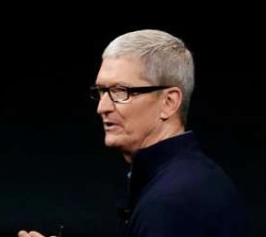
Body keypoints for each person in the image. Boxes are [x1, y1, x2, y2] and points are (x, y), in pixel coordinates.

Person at [18, 29, 249, 237]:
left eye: (121, 91)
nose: (102, 107)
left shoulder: (172, 203)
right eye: (101, 91)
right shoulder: (192, 179)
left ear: (169, 102)